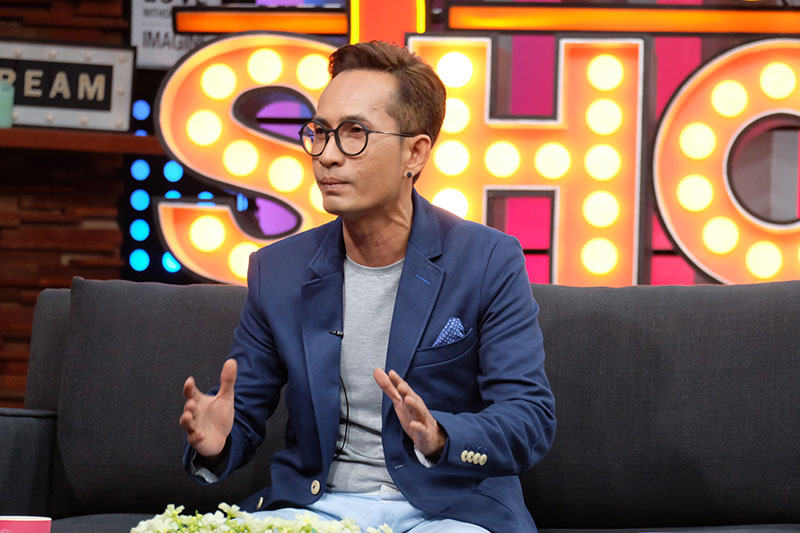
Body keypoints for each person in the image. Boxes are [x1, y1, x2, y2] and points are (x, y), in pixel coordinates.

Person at [179, 40, 556, 533]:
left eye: (354, 133)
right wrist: (218, 441)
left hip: (448, 510)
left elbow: (529, 418)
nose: (327, 156)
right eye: (319, 132)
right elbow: (242, 412)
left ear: (414, 153)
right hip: (319, 509)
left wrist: (441, 435)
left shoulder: (486, 261)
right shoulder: (278, 271)